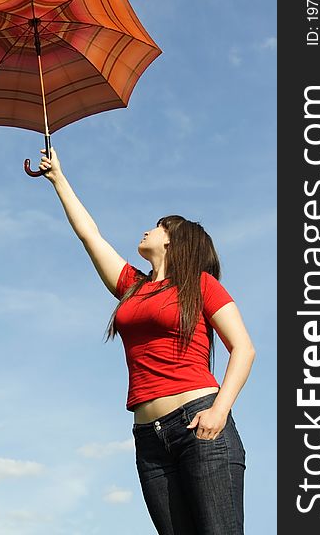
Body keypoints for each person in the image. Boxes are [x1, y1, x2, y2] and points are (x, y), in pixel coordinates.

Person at [36, 148, 256, 535]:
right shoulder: (132, 288)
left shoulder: (200, 286)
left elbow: (244, 348)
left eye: (158, 226)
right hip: (149, 440)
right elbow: (90, 236)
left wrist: (219, 411)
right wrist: (58, 179)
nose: (147, 230)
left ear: (174, 241)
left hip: (199, 423)